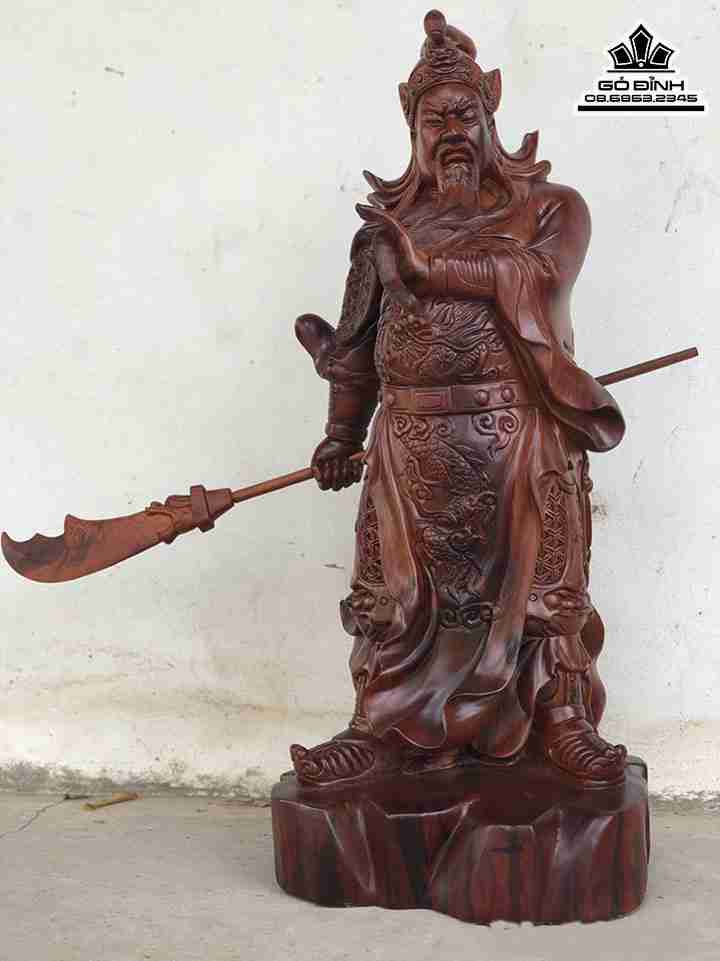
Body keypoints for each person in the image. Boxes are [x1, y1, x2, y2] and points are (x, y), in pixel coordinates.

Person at [292, 10, 627, 787]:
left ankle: (561, 718)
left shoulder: (550, 211)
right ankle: (376, 728)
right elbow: (356, 352)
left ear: (490, 113)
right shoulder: (383, 233)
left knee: (541, 596)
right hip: (409, 453)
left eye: (463, 115)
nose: (451, 133)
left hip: (519, 440)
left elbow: (538, 279)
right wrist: (341, 436)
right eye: (433, 119)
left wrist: (430, 270)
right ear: (409, 126)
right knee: (397, 603)